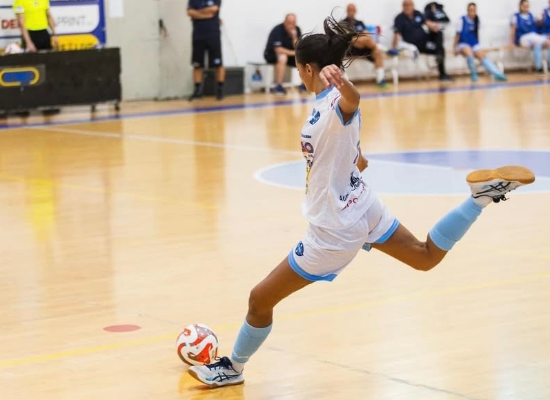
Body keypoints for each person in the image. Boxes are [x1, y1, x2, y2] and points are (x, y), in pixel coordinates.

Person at [187, 14, 535, 388]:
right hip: (362, 205)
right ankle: (479, 200)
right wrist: (355, 157)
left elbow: (352, 102)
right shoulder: (325, 103)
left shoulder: (335, 102)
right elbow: (350, 147)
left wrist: (346, 86)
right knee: (424, 257)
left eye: (299, 70)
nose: (299, 75)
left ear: (307, 69)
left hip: (334, 229)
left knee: (259, 300)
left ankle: (233, 368)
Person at [391, 0, 454, 82]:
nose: (407, 7)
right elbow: (396, 34)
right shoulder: (399, 18)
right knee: (440, 49)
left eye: (409, 5)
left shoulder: (417, 13)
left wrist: (434, 26)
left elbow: (427, 23)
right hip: (416, 44)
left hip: (425, 39)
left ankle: (439, 56)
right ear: (402, 7)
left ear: (413, 6)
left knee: (438, 33)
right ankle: (442, 73)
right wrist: (393, 48)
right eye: (405, 5)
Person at [454, 3, 507, 82]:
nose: (472, 12)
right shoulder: (461, 20)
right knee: (469, 53)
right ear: (467, 10)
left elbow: (477, 35)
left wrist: (477, 46)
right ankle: (473, 73)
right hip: (463, 44)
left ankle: (497, 73)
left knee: (482, 55)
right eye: (471, 10)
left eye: (474, 10)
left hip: (474, 44)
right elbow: (457, 35)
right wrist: (454, 47)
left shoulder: (477, 20)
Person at [343, 3, 388, 89]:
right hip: (351, 49)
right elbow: (348, 38)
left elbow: (368, 36)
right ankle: (385, 49)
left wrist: (360, 38)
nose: (351, 12)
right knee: (357, 40)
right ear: (347, 11)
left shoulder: (360, 23)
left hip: (363, 48)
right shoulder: (343, 23)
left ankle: (380, 80)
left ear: (355, 11)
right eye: (349, 10)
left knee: (377, 52)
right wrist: (359, 38)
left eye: (353, 10)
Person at [187, 0, 225, 101]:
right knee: (197, 64)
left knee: (218, 64)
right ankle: (198, 91)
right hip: (198, 36)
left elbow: (214, 9)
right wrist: (206, 14)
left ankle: (220, 90)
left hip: (213, 35)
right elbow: (189, 12)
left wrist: (197, 13)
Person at [264, 14, 302, 96]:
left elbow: (298, 48)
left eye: (293, 23)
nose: (291, 25)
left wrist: (294, 37)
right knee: (283, 57)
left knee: (303, 57)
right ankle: (278, 85)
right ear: (284, 22)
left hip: (289, 56)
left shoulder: (297, 30)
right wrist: (294, 53)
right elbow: (278, 49)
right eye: (289, 23)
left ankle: (304, 84)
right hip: (272, 54)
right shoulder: (278, 30)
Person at [510, 0, 550, 74]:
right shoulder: (515, 16)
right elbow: (513, 30)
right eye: (524, 6)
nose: (526, 8)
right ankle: (539, 67)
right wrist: (512, 42)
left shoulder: (531, 16)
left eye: (527, 6)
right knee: (536, 42)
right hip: (522, 38)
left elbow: (538, 25)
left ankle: (543, 67)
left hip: (533, 37)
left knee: (542, 44)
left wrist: (542, 20)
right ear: (520, 6)